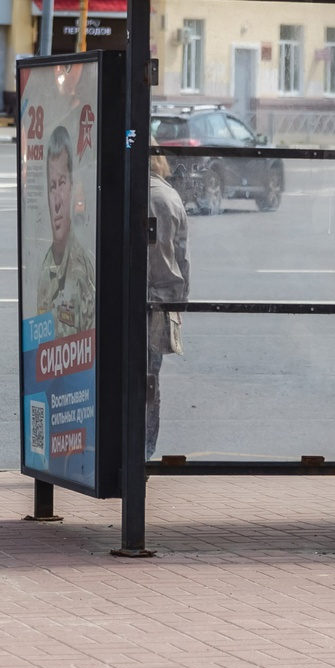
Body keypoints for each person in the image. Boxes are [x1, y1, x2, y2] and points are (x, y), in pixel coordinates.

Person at [32, 121, 97, 336]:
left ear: (72, 186)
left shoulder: (80, 270)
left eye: (62, 184)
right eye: (52, 187)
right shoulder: (46, 268)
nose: (57, 200)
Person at [144, 152, 189, 456]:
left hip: (123, 300)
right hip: (159, 304)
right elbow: (182, 260)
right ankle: (143, 453)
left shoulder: (123, 193)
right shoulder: (170, 197)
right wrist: (181, 304)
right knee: (149, 383)